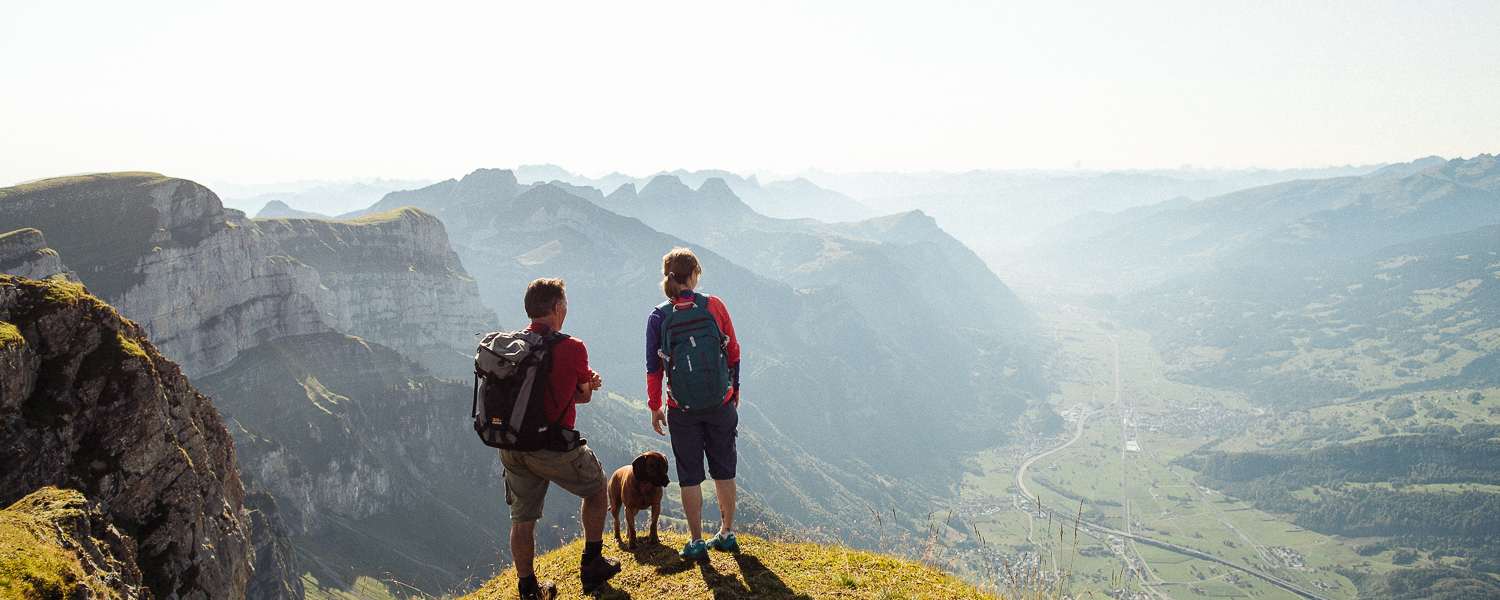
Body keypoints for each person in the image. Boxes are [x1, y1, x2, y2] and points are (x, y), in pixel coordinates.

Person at [501, 278, 620, 599]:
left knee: (522, 518)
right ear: (556, 308)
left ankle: (528, 589)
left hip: (511, 444)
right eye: (564, 304)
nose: (566, 309)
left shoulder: (512, 344)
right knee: (597, 488)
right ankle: (592, 563)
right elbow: (581, 397)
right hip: (550, 445)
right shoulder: (571, 347)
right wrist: (589, 385)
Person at [645, 248, 742, 561]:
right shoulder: (713, 305)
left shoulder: (658, 316)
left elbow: (654, 367)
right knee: (724, 470)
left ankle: (697, 541)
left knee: (689, 475)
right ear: (694, 275)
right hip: (720, 402)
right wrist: (734, 391)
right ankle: (727, 533)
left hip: (681, 408)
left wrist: (655, 406)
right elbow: (734, 351)